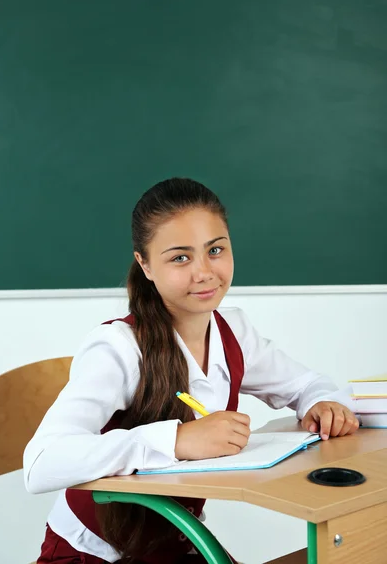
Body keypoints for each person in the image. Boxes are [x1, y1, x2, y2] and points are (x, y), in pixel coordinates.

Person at [24, 177, 358, 564]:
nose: (204, 272)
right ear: (145, 265)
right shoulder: (119, 347)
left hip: (176, 541)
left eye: (215, 250)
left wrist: (322, 402)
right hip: (94, 553)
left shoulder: (233, 331)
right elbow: (42, 461)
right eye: (180, 257)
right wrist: (177, 440)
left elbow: (307, 385)